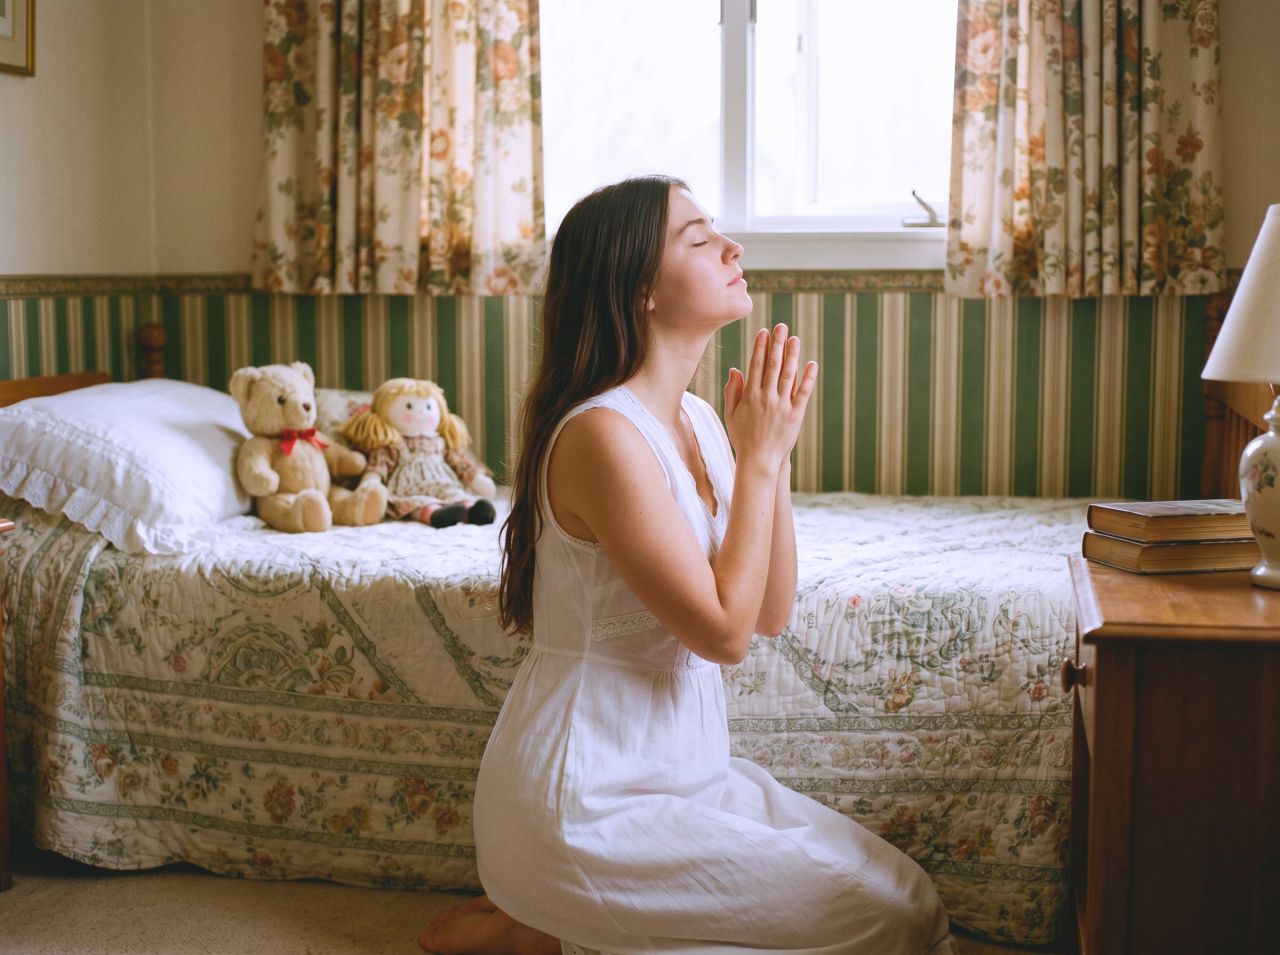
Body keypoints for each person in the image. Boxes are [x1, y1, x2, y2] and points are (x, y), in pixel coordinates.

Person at [421, 176, 956, 955]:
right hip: (588, 799)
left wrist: (764, 453)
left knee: (911, 900)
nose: (733, 248)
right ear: (641, 288)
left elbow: (768, 611)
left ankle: (545, 928)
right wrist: (760, 460)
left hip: (690, 778)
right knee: (888, 927)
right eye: (701, 239)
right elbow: (724, 636)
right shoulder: (603, 436)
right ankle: (539, 921)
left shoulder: (700, 419)